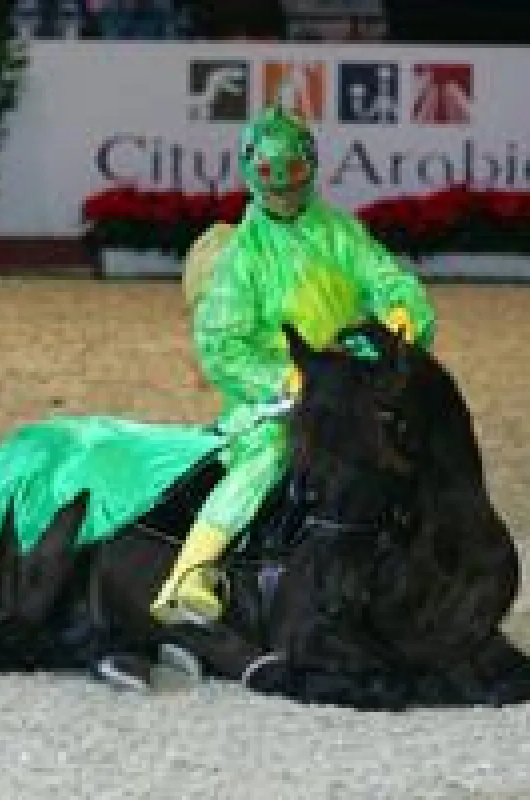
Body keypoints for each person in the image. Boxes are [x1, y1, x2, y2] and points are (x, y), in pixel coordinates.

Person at [148, 103, 437, 625]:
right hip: (281, 394)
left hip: (355, 376)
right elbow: (221, 345)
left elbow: (388, 279)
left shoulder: (341, 232)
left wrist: (402, 315)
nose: (284, 188)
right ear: (250, 172)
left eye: (295, 174)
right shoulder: (240, 258)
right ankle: (190, 573)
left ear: (312, 166)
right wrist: (285, 379)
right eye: (270, 177)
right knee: (272, 452)